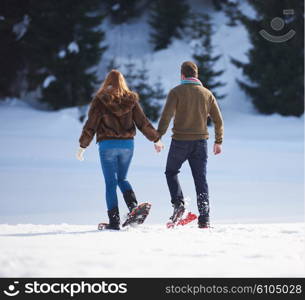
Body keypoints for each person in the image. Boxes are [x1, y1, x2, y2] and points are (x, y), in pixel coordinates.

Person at [76, 70, 163, 230]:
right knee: (122, 179)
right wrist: (156, 139)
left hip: (107, 145)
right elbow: (143, 122)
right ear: (122, 82)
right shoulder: (130, 100)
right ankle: (134, 208)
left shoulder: (100, 100)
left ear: (106, 82)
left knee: (110, 183)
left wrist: (83, 145)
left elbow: (91, 125)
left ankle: (114, 221)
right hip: (127, 146)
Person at [155, 61, 224, 228]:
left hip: (179, 141)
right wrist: (218, 141)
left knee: (171, 171)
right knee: (200, 179)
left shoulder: (176, 92)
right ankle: (204, 217)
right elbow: (218, 120)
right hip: (200, 143)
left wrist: (158, 137)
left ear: (182, 75)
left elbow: (166, 116)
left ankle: (178, 205)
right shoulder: (207, 94)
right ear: (196, 75)